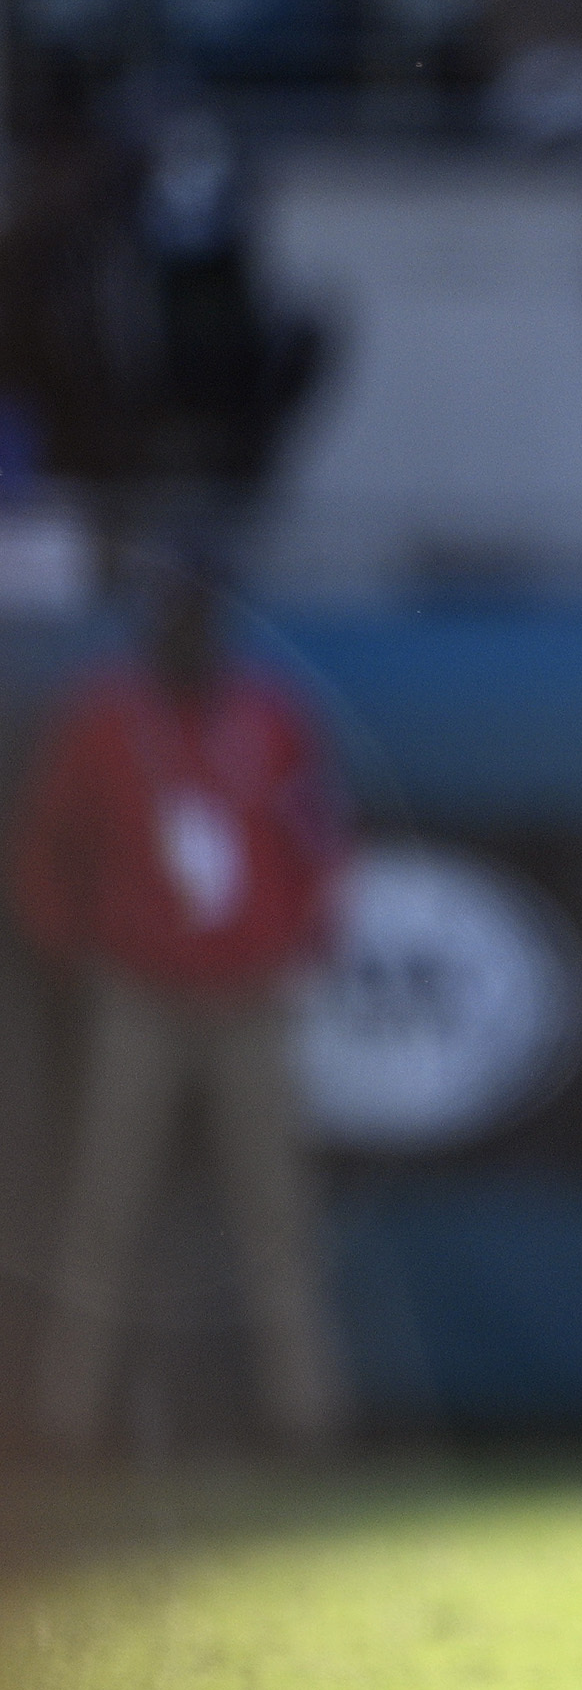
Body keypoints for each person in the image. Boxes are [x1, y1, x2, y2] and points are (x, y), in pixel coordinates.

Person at [12, 546, 349, 1457]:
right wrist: (75, 954)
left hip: (249, 993)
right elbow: (46, 846)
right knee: (102, 1203)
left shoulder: (271, 716)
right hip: (139, 993)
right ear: (151, 622)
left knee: (275, 1208)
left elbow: (319, 840)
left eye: (204, 618)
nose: (190, 636)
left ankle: (304, 1418)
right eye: (175, 616)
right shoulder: (104, 721)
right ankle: (68, 1419)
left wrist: (300, 942)